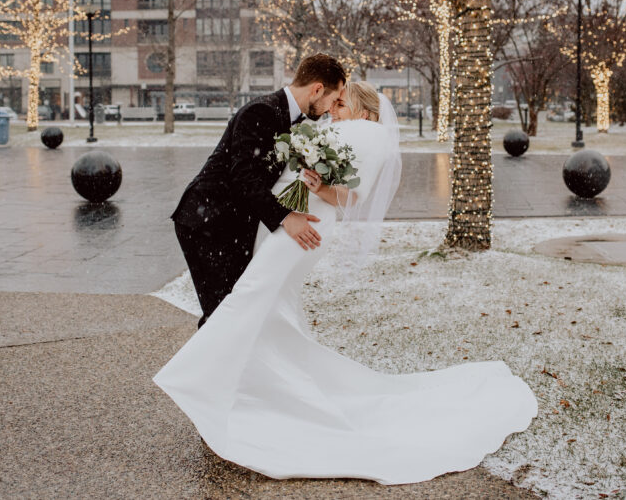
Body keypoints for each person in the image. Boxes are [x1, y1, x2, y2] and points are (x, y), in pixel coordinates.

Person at [154, 80, 538, 485]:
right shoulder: (337, 130)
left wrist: (321, 186)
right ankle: (262, 387)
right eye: (335, 101)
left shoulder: (365, 134)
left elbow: (354, 198)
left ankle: (200, 377)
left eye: (342, 103)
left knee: (254, 294)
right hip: (289, 223)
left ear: (366, 112)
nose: (334, 109)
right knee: (269, 306)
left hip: (306, 228)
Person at [171, 53, 347, 328]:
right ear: (317, 89)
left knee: (239, 309)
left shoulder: (294, 119)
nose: (329, 109)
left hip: (235, 223)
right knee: (224, 314)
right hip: (207, 220)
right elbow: (243, 176)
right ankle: (205, 369)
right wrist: (286, 217)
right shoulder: (261, 111)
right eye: (332, 100)